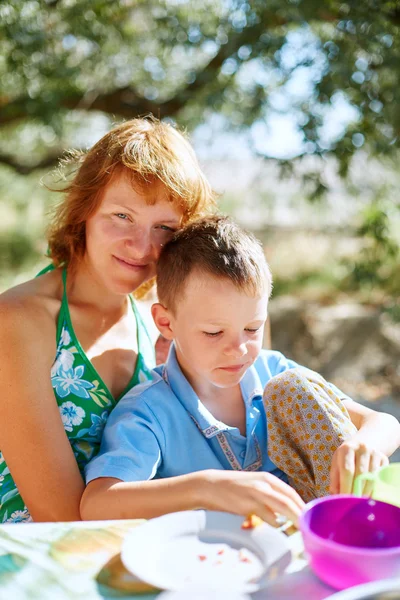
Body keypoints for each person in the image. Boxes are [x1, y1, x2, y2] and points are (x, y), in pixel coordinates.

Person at [81, 216, 400, 525]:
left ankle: (346, 527)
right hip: (213, 559)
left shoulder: (272, 369)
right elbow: (96, 503)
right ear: (166, 322)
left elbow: (384, 423)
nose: (239, 349)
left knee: (293, 385)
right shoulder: (149, 410)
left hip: (306, 540)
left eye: (252, 328)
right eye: (213, 333)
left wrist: (364, 445)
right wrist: (205, 488)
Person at [0, 117, 216, 523]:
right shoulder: (19, 320)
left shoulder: (155, 323)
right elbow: (58, 517)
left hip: (125, 541)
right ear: (85, 209)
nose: (141, 246)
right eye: (121, 216)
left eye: (164, 227)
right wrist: (205, 491)